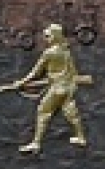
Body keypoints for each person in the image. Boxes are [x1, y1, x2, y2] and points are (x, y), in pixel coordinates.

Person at [7, 23, 88, 154]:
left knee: (43, 111)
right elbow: (73, 73)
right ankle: (81, 137)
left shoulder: (49, 53)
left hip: (56, 88)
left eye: (48, 36)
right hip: (67, 87)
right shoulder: (65, 52)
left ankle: (36, 143)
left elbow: (35, 72)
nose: (46, 39)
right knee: (70, 110)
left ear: (55, 36)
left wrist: (20, 83)